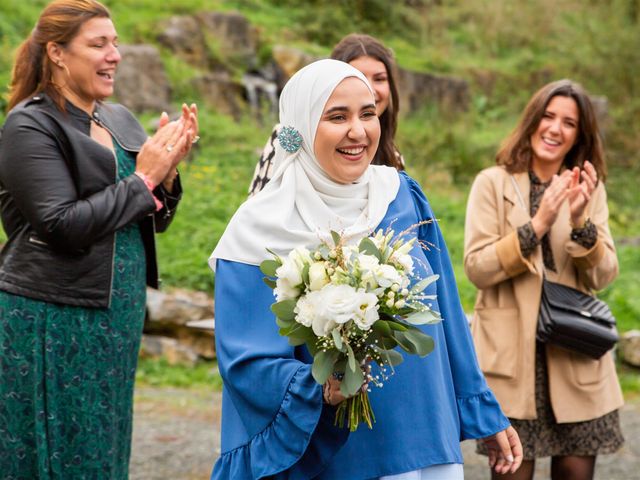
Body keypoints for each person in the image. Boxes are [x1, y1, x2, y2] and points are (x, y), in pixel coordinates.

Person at [209, 59, 522, 480]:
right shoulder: (259, 226)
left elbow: (445, 312)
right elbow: (245, 360)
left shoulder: (401, 194)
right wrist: (318, 385)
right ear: (299, 127)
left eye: (368, 113)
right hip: (339, 451)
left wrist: (481, 408)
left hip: (425, 434)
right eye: (337, 117)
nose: (358, 131)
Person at [0, 0, 198, 477]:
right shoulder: (30, 125)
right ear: (58, 53)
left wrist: (166, 177)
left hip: (116, 316)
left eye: (115, 43)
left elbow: (147, 217)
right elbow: (62, 225)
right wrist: (144, 179)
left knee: (102, 446)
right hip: (53, 313)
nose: (115, 55)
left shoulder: (119, 119)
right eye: (98, 44)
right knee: (57, 450)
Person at [463, 79, 623, 480]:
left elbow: (603, 277)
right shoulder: (492, 183)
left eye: (568, 122)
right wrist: (537, 225)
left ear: (578, 135)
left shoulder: (589, 187)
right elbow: (477, 268)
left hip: (576, 359)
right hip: (513, 366)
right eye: (548, 116)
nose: (555, 128)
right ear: (532, 120)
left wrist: (582, 220)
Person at [248, 33, 403, 196]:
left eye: (379, 79)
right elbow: (262, 201)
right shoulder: (289, 138)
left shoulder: (393, 155)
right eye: (358, 76)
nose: (369, 89)